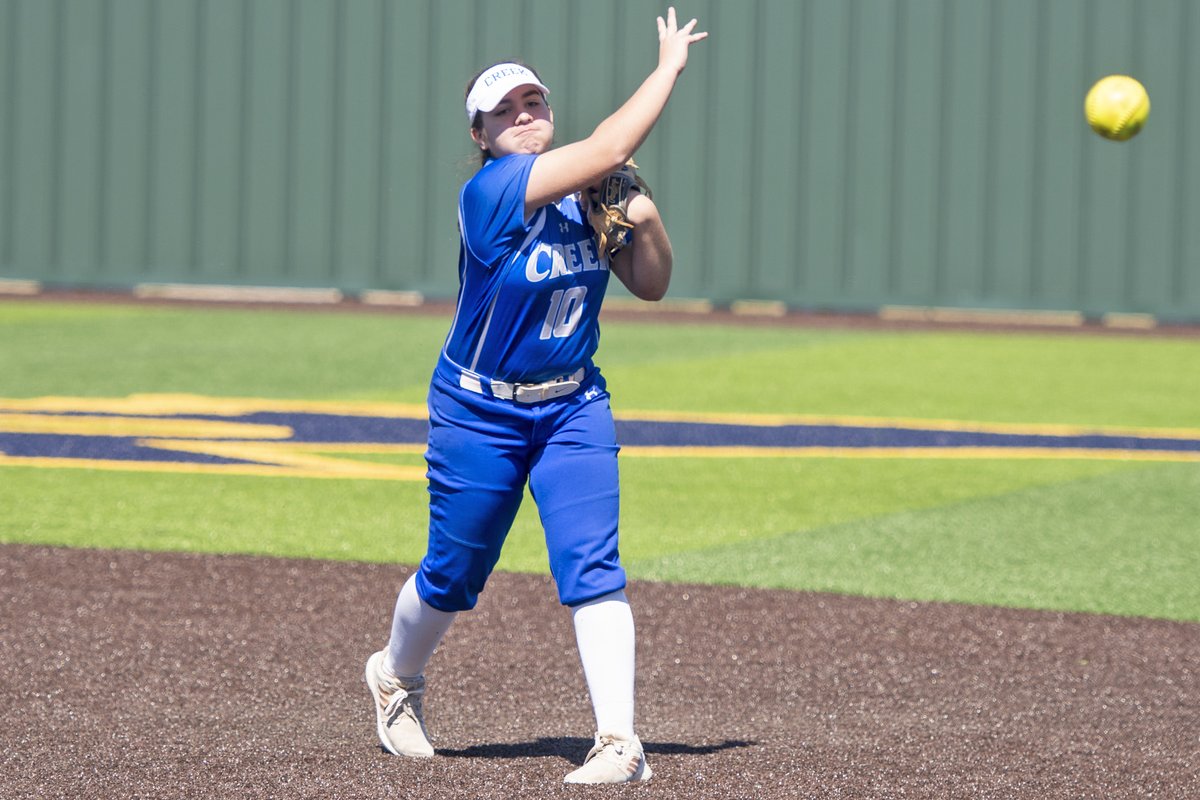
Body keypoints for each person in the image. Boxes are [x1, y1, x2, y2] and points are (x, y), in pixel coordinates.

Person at [364, 7, 707, 785]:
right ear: (481, 135)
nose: (524, 116)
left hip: (572, 406)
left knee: (593, 566)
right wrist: (666, 70)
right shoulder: (490, 193)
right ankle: (394, 676)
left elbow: (652, 285)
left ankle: (619, 742)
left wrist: (643, 221)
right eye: (504, 111)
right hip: (479, 409)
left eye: (534, 104)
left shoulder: (586, 196)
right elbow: (614, 145)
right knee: (453, 573)